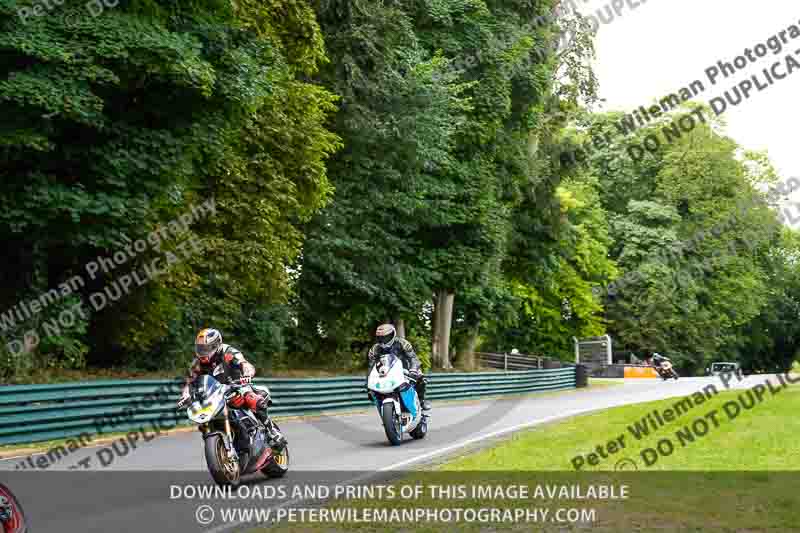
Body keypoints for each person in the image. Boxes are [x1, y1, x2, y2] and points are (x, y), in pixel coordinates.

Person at [178, 328, 287, 451]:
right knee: (203, 422)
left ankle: (271, 430)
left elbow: (245, 364)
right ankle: (219, 450)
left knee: (252, 399)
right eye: (200, 348)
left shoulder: (228, 352)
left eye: (205, 349)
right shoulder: (197, 363)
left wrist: (247, 374)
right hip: (215, 394)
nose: (202, 352)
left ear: (216, 345)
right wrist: (185, 395)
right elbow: (189, 382)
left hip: (237, 385)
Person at [367, 324, 431, 411]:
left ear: (393, 334)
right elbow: (371, 366)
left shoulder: (403, 343)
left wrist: (413, 369)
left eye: (386, 337)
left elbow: (413, 358)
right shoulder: (374, 349)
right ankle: (384, 408)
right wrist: (368, 382)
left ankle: (422, 401)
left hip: (405, 369)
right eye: (380, 338)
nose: (383, 340)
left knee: (421, 377)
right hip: (385, 372)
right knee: (371, 391)